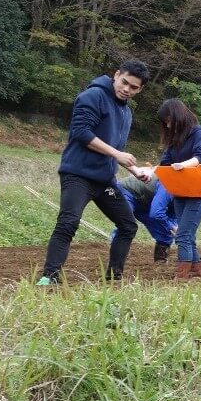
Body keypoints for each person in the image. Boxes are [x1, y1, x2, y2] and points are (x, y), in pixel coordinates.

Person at [37, 60, 150, 285]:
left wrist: (135, 170)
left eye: (134, 87)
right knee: (68, 222)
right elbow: (81, 132)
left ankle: (113, 278)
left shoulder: (126, 112)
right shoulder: (92, 96)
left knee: (128, 225)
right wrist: (118, 155)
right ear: (116, 75)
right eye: (124, 82)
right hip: (78, 174)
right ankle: (49, 278)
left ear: (140, 89)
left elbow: (114, 149)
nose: (127, 89)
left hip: (104, 180)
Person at [158, 98, 201, 279]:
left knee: (182, 235)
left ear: (178, 116)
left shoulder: (199, 133)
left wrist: (184, 165)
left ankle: (181, 278)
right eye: (165, 122)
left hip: (199, 191)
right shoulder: (175, 139)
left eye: (169, 120)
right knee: (187, 235)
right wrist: (150, 173)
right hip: (181, 191)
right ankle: (200, 272)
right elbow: (165, 163)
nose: (167, 125)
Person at [116, 171, 176, 263]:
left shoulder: (187, 198)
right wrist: (171, 226)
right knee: (126, 226)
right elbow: (156, 213)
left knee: (166, 230)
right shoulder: (169, 185)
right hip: (126, 191)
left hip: (146, 202)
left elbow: (173, 215)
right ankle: (115, 259)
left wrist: (173, 227)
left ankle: (160, 262)